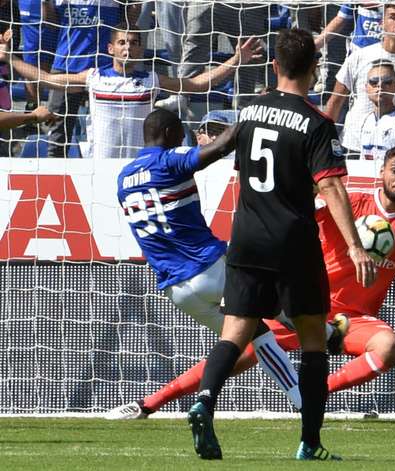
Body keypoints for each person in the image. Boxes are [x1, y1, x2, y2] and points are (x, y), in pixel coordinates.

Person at [98, 145, 395, 416]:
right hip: (304, 304)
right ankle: (146, 405)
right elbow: (291, 222)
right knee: (235, 352)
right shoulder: (347, 203)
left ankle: (316, 395)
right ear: (382, 171)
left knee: (389, 347)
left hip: (351, 320)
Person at [186, 28, 375, 461]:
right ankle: (310, 441)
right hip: (293, 241)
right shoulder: (316, 122)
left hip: (247, 238)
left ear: (275, 66)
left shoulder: (250, 112)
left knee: (235, 332)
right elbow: (331, 188)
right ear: (315, 70)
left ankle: (205, 400)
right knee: (312, 338)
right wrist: (354, 246)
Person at [109, 108, 301, 420]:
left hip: (176, 290)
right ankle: (331, 337)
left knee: (256, 335)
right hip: (210, 268)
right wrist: (257, 117)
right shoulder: (171, 159)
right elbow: (221, 147)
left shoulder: (123, 178)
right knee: (286, 311)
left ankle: (300, 398)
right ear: (171, 134)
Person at [0, 27, 263, 159]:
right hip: (99, 168)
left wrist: (236, 60)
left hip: (139, 167)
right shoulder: (94, 77)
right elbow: (46, 79)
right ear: (110, 48)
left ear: (141, 49)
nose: (129, 47)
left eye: (135, 43)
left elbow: (196, 85)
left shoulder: (150, 80)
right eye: (122, 42)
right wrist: (9, 58)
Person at [41, 0, 140, 158]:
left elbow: (128, 23)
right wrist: (45, 3)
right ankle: (56, 175)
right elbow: (51, 24)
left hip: (104, 69)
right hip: (66, 65)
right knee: (57, 133)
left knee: (111, 128)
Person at [326, 3, 395, 155]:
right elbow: (335, 102)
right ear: (382, 24)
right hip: (354, 144)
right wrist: (323, 140)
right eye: (393, 17)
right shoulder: (359, 56)